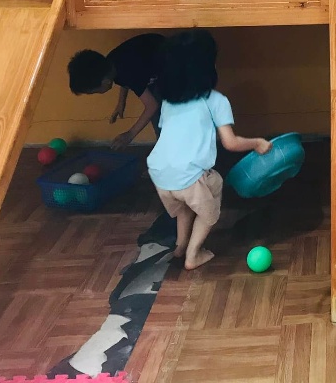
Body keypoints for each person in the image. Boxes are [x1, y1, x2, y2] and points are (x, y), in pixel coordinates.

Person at [148, 29, 272, 270]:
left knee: (184, 207)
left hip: (160, 173)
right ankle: (193, 255)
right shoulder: (215, 100)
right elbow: (230, 143)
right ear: (208, 68)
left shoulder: (168, 101)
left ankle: (180, 246)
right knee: (210, 201)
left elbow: (170, 135)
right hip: (189, 176)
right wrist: (258, 143)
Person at [68, 34, 164, 148]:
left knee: (160, 118)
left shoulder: (129, 73)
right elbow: (127, 80)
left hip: (175, 65)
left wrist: (130, 134)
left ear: (105, 82)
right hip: (157, 61)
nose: (97, 93)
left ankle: (168, 149)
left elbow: (152, 105)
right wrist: (121, 102)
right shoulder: (111, 63)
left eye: (95, 91)